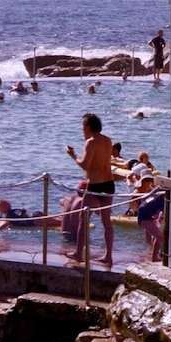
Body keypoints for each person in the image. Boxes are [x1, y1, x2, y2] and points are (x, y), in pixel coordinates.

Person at [65, 113, 114, 265]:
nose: (82, 130)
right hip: (109, 183)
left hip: (95, 185)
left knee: (83, 219)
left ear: (87, 126)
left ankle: (79, 253)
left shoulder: (90, 142)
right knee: (106, 222)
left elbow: (85, 165)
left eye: (82, 127)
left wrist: (73, 156)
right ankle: (108, 256)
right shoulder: (107, 140)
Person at [137, 189, 165, 262]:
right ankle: (154, 257)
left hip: (144, 214)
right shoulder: (162, 202)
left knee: (156, 236)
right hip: (145, 218)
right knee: (159, 236)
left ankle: (153, 254)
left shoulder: (156, 196)